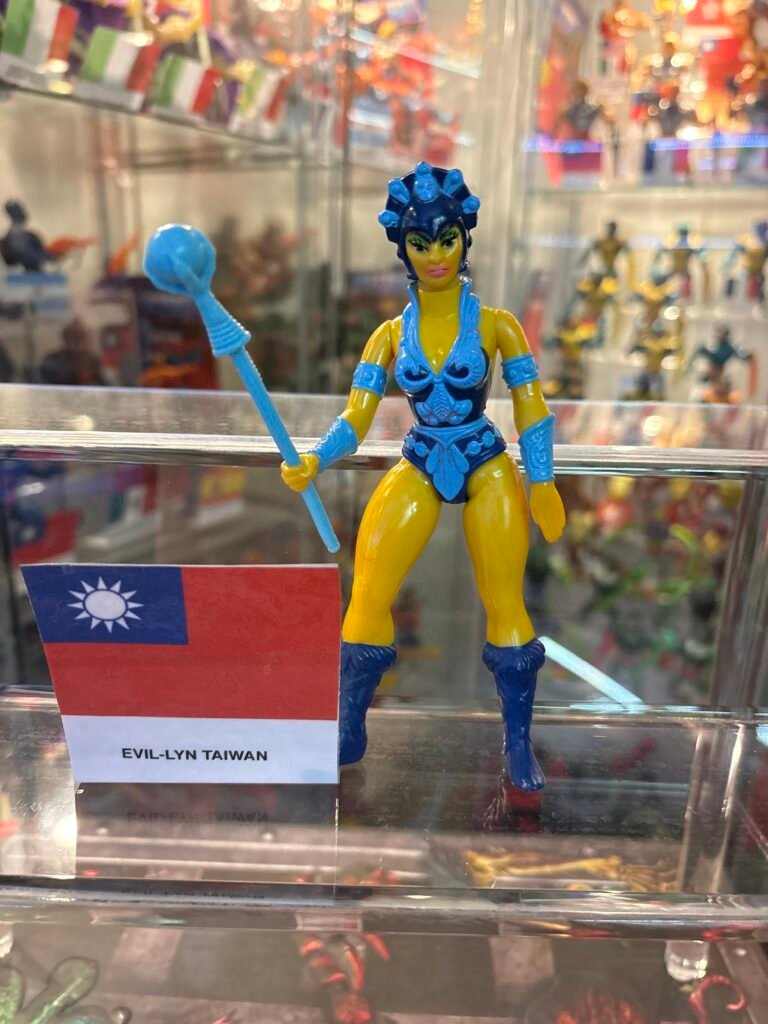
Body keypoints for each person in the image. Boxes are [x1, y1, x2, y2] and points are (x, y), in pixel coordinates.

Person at [281, 162, 565, 791]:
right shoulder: (388, 335)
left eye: (446, 239)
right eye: (420, 242)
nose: (435, 255)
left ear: (464, 239)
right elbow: (356, 418)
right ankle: (349, 728)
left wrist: (542, 480)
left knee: (504, 601)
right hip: (418, 457)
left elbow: (531, 407)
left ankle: (518, 743)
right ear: (403, 248)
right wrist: (316, 459)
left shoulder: (497, 324)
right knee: (367, 591)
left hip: (485, 460)